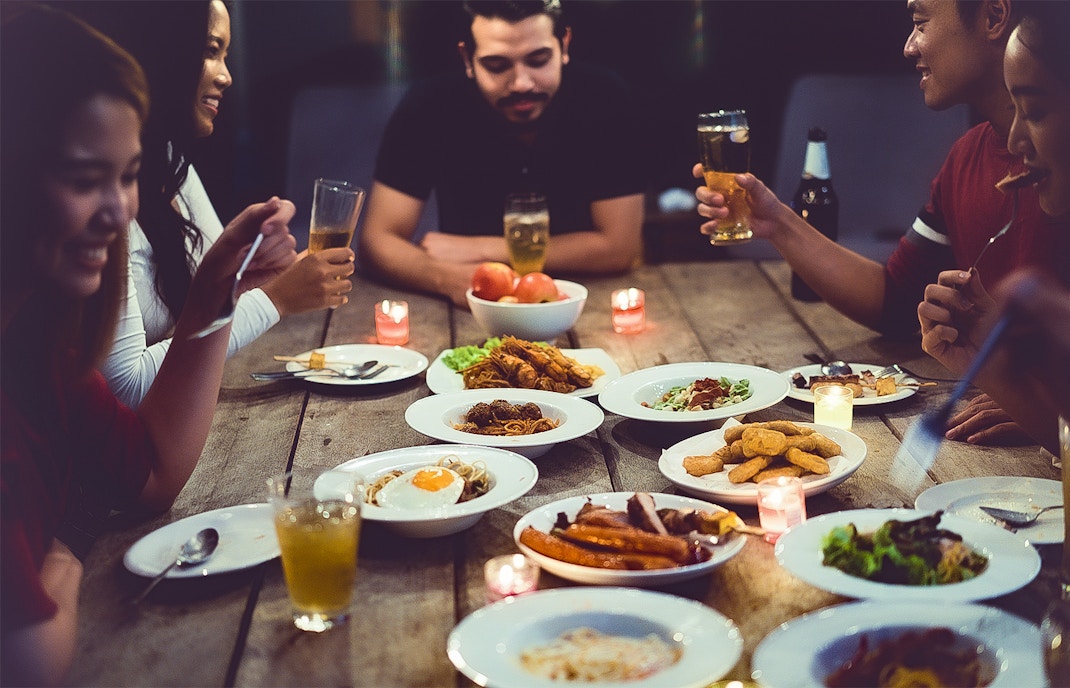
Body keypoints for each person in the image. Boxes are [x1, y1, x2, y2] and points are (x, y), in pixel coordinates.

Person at [0, 5, 295, 684]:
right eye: (83, 179)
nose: (121, 210)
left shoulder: (42, 349)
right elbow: (29, 658)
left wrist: (217, 290)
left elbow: (154, 476)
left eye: (128, 175)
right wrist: (67, 558)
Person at [693, 0, 1065, 446]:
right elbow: (896, 299)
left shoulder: (1057, 171)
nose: (909, 46)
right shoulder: (967, 157)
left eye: (920, 22)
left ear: (993, 17)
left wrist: (1040, 402)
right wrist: (775, 221)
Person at [62, 0, 355, 408]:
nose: (227, 76)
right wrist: (277, 298)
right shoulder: (106, 203)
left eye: (226, 55)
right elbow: (127, 389)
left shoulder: (171, 163)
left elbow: (216, 298)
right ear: (163, 51)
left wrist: (252, 272)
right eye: (210, 51)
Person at [359, 0, 646, 307]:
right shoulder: (430, 105)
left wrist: (484, 249)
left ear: (564, 45)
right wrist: (447, 278)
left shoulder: (603, 97)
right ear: (467, 59)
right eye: (497, 66)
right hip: (473, 306)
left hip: (591, 301)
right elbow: (378, 241)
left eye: (538, 60)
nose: (521, 83)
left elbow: (619, 248)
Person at [917, 1, 1070, 455]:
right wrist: (991, 367)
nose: (1014, 142)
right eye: (1014, 110)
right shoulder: (965, 157)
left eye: (1036, 112)